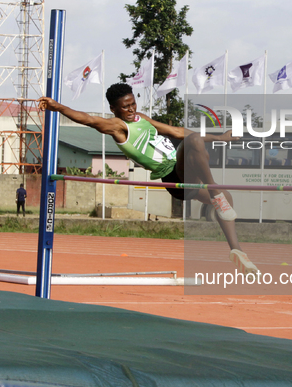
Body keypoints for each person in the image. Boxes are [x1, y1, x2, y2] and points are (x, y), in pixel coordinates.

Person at [38, 83, 258, 274]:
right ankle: (214, 191)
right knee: (195, 141)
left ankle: (236, 249)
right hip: (173, 176)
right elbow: (87, 119)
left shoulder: (141, 118)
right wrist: (57, 106)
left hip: (185, 174)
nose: (132, 109)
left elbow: (175, 131)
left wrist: (219, 137)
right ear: (114, 109)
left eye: (133, 103)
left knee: (224, 193)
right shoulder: (118, 127)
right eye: (125, 107)